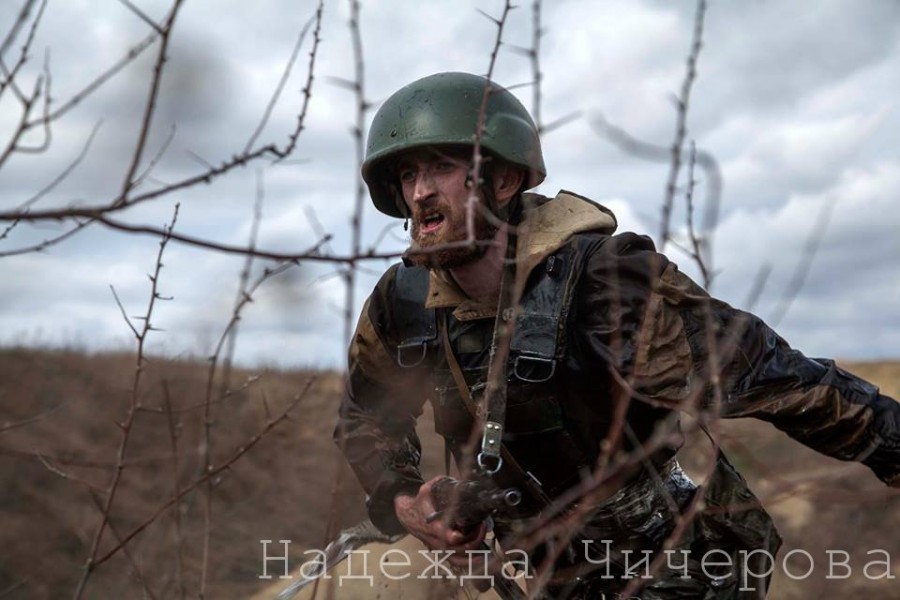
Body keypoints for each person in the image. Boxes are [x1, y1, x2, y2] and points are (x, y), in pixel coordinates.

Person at [334, 71, 899, 599]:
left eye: (441, 168)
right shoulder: (402, 302)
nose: (421, 191)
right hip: (542, 576)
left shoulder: (604, 286)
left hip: (672, 567)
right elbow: (365, 416)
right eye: (408, 174)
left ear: (503, 179)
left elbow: (782, 382)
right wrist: (409, 501)